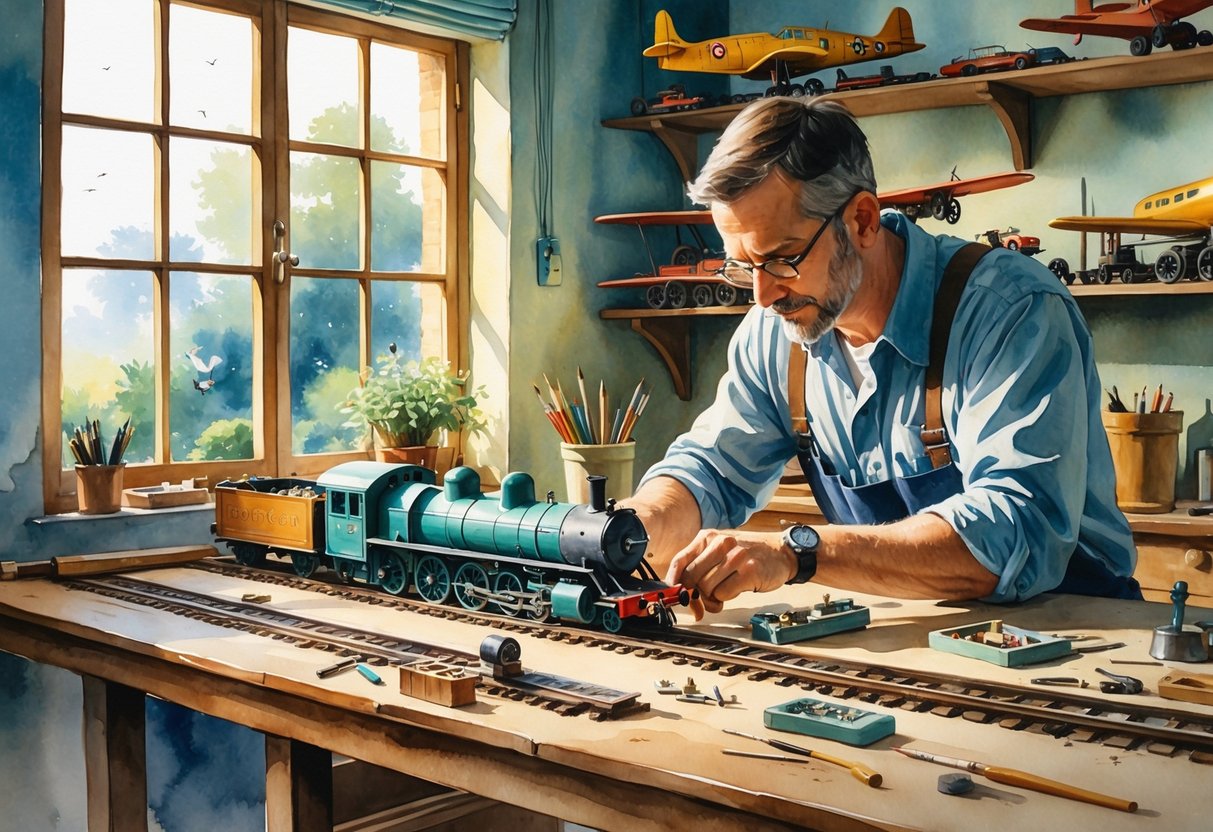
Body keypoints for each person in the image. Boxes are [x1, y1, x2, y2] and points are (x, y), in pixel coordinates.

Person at [624, 96, 1138, 618]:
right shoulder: (776, 331)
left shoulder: (1010, 310)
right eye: (742, 266)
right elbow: (712, 469)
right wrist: (634, 528)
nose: (761, 295)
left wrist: (798, 553)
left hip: (1078, 626)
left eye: (782, 259)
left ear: (863, 220)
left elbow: (1015, 530)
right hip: (914, 630)